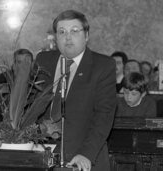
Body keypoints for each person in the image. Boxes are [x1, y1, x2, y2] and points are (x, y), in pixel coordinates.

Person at [36, 10, 116, 171]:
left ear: (86, 36)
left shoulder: (102, 66)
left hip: (84, 159)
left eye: (74, 31)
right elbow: (31, 107)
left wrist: (86, 154)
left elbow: (104, 116)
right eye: (62, 32)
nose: (68, 37)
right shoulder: (43, 60)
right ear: (56, 37)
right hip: (44, 157)